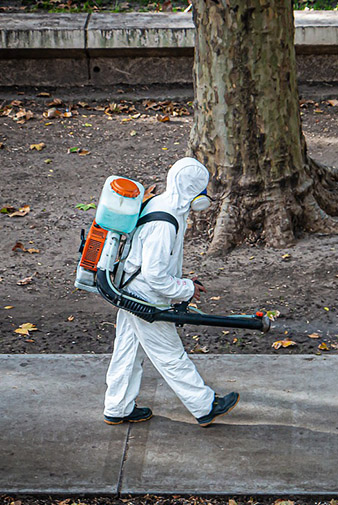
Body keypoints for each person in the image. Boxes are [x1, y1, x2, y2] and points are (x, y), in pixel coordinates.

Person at [102, 157, 239, 427]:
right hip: (143, 295)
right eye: (201, 188)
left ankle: (117, 407)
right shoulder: (165, 223)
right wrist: (185, 289)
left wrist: (181, 283)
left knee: (127, 351)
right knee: (170, 354)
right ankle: (204, 406)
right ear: (192, 190)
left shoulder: (160, 203)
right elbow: (154, 275)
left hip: (129, 288)